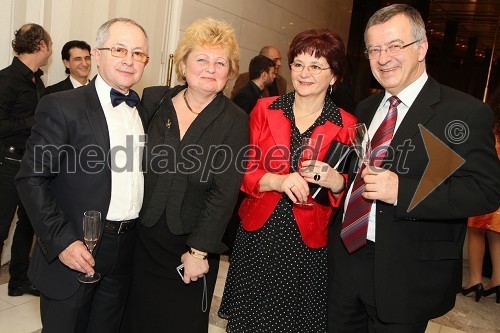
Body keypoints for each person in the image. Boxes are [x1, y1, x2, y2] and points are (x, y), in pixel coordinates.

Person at [328, 4, 500, 333]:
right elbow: (358, 176)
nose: (383, 58)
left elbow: (486, 191)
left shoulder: (463, 113)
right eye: (374, 49)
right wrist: (340, 182)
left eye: (395, 46)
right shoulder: (366, 107)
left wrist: (402, 190)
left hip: (405, 274)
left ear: (422, 48)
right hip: (346, 263)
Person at [16, 18, 149, 332]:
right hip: (75, 248)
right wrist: (62, 242)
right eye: (119, 49)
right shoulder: (62, 106)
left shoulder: (142, 112)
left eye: (139, 53)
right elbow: (31, 178)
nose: (130, 60)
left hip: (124, 250)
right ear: (97, 55)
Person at [219, 28, 356, 332]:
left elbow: (352, 190)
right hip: (259, 234)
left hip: (307, 244)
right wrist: (277, 181)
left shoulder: (346, 125)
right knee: (249, 323)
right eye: (298, 64)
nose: (304, 73)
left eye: (316, 66)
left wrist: (337, 183)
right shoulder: (265, 110)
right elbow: (242, 169)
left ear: (333, 76)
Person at [123, 17, 248, 333]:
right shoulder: (153, 100)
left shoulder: (234, 120)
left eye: (220, 62)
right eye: (202, 59)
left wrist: (199, 250)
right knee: (132, 319)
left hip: (189, 249)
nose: (210, 68)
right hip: (140, 238)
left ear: (230, 72)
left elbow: (224, 192)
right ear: (183, 64)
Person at [0, 23, 52, 297]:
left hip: (31, 163)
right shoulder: (6, 79)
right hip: (7, 164)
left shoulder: (37, 81)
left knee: (29, 224)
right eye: (50, 45)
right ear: (41, 45)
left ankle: (18, 280)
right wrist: (35, 121)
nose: (50, 50)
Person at [462, 86, 500, 303]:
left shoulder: (490, 120)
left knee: (477, 230)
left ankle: (475, 280)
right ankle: (497, 279)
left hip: (487, 182)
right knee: (496, 233)